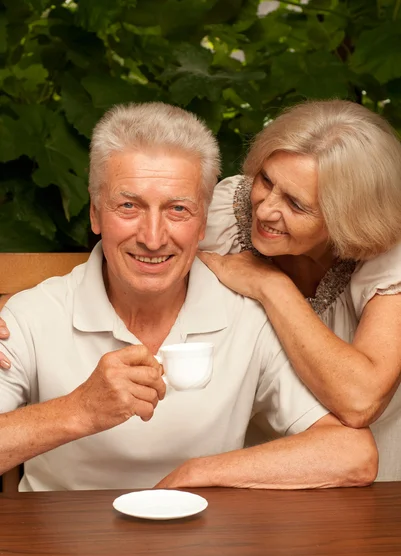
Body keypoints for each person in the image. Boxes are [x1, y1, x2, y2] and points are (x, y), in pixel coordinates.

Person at [0, 102, 377, 492]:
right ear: (96, 214)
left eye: (178, 209)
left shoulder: (247, 318)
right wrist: (78, 411)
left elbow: (353, 454)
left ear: (203, 223)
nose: (152, 237)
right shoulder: (33, 315)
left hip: (203, 549)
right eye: (129, 206)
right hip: (56, 549)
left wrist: (200, 473)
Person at [195, 99, 401, 482]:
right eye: (267, 180)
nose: (265, 210)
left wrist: (271, 285)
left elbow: (359, 401)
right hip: (251, 473)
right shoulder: (227, 211)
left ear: (348, 218)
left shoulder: (388, 253)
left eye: (295, 204)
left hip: (371, 478)